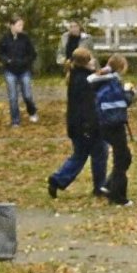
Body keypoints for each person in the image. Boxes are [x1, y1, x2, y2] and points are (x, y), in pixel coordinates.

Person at [47, 47, 109, 200]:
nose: (94, 61)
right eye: (90, 59)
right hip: (88, 125)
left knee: (80, 155)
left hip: (77, 125)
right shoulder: (85, 81)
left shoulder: (76, 76)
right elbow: (89, 107)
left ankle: (58, 180)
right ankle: (99, 186)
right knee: (100, 153)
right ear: (85, 63)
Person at [91, 54, 134, 205]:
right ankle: (118, 196)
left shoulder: (103, 81)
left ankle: (108, 185)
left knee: (125, 157)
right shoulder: (114, 82)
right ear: (121, 67)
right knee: (121, 160)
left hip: (104, 124)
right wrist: (129, 92)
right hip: (114, 125)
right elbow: (123, 102)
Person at [0, 17, 39, 126]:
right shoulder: (4, 39)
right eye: (19, 25)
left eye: (22, 25)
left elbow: (33, 54)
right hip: (10, 71)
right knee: (13, 97)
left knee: (27, 95)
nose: (21, 27)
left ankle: (32, 111)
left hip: (24, 70)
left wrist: (25, 62)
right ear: (12, 25)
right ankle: (15, 120)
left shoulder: (25, 38)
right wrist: (7, 60)